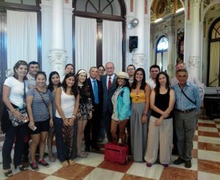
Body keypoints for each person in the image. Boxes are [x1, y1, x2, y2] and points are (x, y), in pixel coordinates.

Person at [2, 60, 29, 177]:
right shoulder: (10, 80)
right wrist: (14, 111)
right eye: (21, 68)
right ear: (16, 69)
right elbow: (5, 98)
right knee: (9, 140)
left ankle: (18, 162)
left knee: (21, 139)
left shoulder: (26, 83)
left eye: (25, 68)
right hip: (11, 112)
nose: (23, 70)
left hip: (22, 112)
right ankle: (6, 165)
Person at [145, 72, 175, 167]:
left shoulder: (171, 91)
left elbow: (170, 107)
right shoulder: (154, 90)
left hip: (167, 120)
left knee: (166, 140)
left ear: (166, 79)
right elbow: (151, 105)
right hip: (154, 118)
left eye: (163, 78)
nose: (162, 80)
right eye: (160, 78)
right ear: (158, 80)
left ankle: (165, 160)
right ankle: (150, 158)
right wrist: (162, 114)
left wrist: (162, 118)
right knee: (152, 139)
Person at [173, 69, 201, 168]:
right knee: (180, 138)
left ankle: (188, 158)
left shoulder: (194, 88)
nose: (182, 78)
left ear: (187, 76)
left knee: (189, 138)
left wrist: (195, 114)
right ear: (177, 77)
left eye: (184, 76)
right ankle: (181, 157)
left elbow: (198, 101)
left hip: (190, 114)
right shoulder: (174, 88)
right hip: (178, 114)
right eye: (180, 76)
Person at [26, 71, 53, 171]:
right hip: (35, 120)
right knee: (35, 142)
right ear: (36, 80)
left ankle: (41, 158)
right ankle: (32, 160)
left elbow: (49, 104)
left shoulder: (48, 91)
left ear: (45, 80)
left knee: (43, 141)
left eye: (43, 79)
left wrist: (51, 117)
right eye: (39, 79)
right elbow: (28, 105)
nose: (41, 81)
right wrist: (31, 120)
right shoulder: (31, 91)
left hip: (45, 120)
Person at [55, 73, 79, 167]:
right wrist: (64, 118)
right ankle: (62, 158)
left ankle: (70, 157)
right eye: (69, 79)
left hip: (72, 118)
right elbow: (57, 104)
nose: (71, 82)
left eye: (73, 80)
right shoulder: (59, 89)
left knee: (71, 138)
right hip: (60, 118)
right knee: (61, 139)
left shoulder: (76, 90)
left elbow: (76, 105)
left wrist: (73, 117)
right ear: (65, 79)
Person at [130, 68, 151, 162]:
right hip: (133, 110)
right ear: (135, 75)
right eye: (137, 74)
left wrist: (145, 114)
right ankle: (135, 154)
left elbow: (148, 101)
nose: (139, 76)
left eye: (141, 74)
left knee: (142, 132)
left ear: (143, 76)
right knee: (134, 132)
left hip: (142, 109)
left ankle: (142, 154)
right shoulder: (132, 85)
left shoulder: (146, 86)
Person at [84, 66, 103, 152]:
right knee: (87, 128)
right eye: (93, 71)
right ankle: (87, 145)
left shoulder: (100, 83)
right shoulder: (85, 82)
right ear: (89, 72)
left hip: (98, 109)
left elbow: (101, 95)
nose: (95, 73)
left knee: (96, 127)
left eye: (96, 71)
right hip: (89, 109)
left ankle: (94, 144)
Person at [76, 69, 93, 158]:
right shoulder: (74, 87)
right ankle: (78, 151)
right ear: (77, 76)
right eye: (81, 75)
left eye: (84, 76)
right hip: (78, 111)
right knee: (78, 132)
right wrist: (76, 112)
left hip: (85, 111)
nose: (82, 77)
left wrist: (90, 111)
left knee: (82, 132)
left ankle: (79, 149)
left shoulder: (86, 86)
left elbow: (89, 99)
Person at [111, 72, 131, 145]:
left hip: (123, 115)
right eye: (119, 78)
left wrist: (121, 117)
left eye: (122, 79)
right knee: (112, 131)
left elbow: (126, 104)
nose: (120, 80)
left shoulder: (126, 90)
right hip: (115, 114)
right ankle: (116, 149)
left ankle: (123, 150)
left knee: (122, 132)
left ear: (125, 81)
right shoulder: (117, 89)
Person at [100, 62, 117, 142]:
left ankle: (115, 143)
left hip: (115, 107)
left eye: (111, 68)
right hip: (104, 107)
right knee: (106, 126)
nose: (109, 69)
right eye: (107, 68)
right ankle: (110, 142)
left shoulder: (118, 79)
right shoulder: (102, 78)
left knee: (114, 129)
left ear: (114, 68)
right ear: (105, 69)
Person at [47, 71, 61, 162]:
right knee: (51, 135)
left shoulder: (63, 88)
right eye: (53, 78)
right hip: (51, 115)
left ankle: (60, 153)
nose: (55, 79)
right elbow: (49, 104)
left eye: (57, 77)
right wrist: (51, 117)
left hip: (60, 115)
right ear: (50, 79)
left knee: (60, 135)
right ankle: (50, 153)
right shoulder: (48, 90)